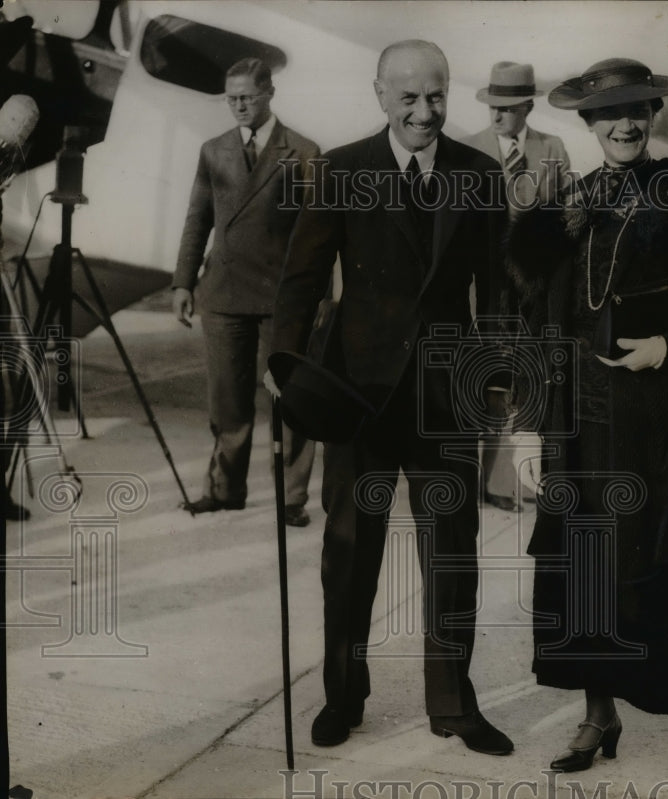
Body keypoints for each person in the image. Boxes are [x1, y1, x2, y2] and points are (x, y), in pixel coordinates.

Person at [506, 58, 668, 794]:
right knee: (584, 569)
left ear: (654, 116)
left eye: (638, 110)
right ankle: (599, 715)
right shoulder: (569, 204)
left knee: (660, 571)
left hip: (657, 423)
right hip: (576, 422)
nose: (625, 124)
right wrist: (527, 425)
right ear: (589, 124)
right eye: (609, 114)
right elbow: (536, 321)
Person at [269, 40, 512, 755]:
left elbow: (499, 291)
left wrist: (497, 375)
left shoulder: (479, 175)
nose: (424, 112)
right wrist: (283, 362)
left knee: (453, 556)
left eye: (436, 96)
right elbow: (302, 277)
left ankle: (454, 704)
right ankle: (343, 696)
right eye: (408, 97)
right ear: (380, 95)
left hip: (445, 398)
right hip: (358, 396)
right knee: (349, 554)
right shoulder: (340, 170)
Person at [172, 57, 317, 526]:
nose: (237, 105)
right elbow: (197, 221)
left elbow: (318, 232)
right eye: (230, 98)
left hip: (282, 296)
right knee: (227, 400)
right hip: (223, 294)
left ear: (269, 93)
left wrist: (318, 296)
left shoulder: (303, 151)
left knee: (290, 399)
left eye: (247, 97)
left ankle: (291, 498)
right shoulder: (213, 150)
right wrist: (182, 282)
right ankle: (224, 489)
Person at [465, 61, 570, 513]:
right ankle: (465, 481)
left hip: (531, 292)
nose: (497, 115)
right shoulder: (468, 150)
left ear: (527, 106)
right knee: (477, 382)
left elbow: (564, 221)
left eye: (507, 108)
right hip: (481, 290)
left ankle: (504, 483)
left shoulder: (552, 149)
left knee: (522, 383)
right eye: (493, 106)